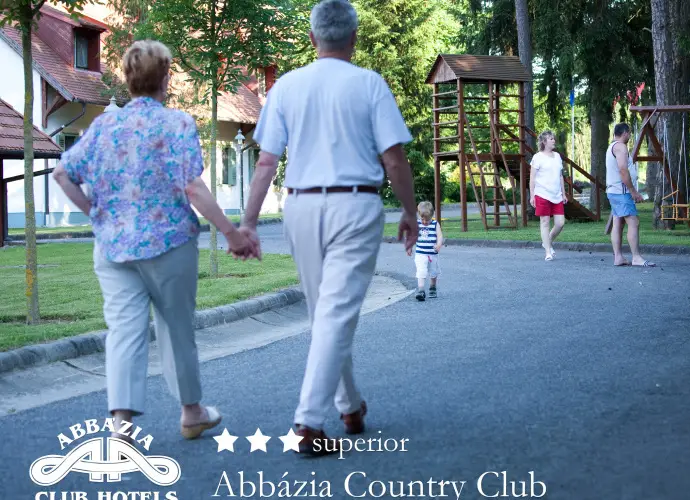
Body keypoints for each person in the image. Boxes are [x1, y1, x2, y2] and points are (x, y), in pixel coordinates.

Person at [52, 40, 259, 441]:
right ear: (165, 78)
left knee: (124, 331)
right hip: (169, 246)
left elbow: (63, 175)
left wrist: (95, 213)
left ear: (127, 80)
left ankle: (121, 427)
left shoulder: (105, 125)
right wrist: (232, 234)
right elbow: (193, 188)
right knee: (176, 327)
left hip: (113, 247)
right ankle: (191, 411)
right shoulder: (176, 123)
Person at [238, 0, 418, 457]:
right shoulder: (370, 84)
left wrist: (249, 221)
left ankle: (349, 405)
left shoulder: (287, 87)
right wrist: (411, 212)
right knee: (334, 315)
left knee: (327, 315)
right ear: (353, 39)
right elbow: (394, 158)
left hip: (299, 208)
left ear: (314, 39)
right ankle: (308, 422)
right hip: (354, 206)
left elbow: (265, 161)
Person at [606, 123, 655, 267]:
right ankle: (636, 258)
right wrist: (633, 191)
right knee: (633, 222)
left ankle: (618, 257)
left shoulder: (611, 147)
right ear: (626, 133)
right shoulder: (621, 147)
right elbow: (622, 170)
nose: (630, 137)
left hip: (613, 191)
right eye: (630, 134)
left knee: (618, 223)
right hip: (621, 192)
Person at [530, 130, 568, 261]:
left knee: (560, 223)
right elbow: (532, 178)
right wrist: (532, 196)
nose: (553, 140)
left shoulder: (557, 156)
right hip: (541, 194)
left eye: (553, 138)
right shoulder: (537, 157)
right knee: (545, 222)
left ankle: (547, 241)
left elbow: (560, 176)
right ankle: (548, 252)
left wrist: (563, 193)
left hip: (556, 195)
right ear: (544, 142)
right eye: (551, 138)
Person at [407, 201, 444, 301]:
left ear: (432, 216)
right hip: (420, 253)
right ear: (419, 215)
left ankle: (432, 287)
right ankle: (421, 290)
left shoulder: (435, 224)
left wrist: (439, 244)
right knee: (421, 270)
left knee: (433, 271)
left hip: (432, 254)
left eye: (427, 220)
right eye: (422, 219)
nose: (424, 222)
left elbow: (440, 236)